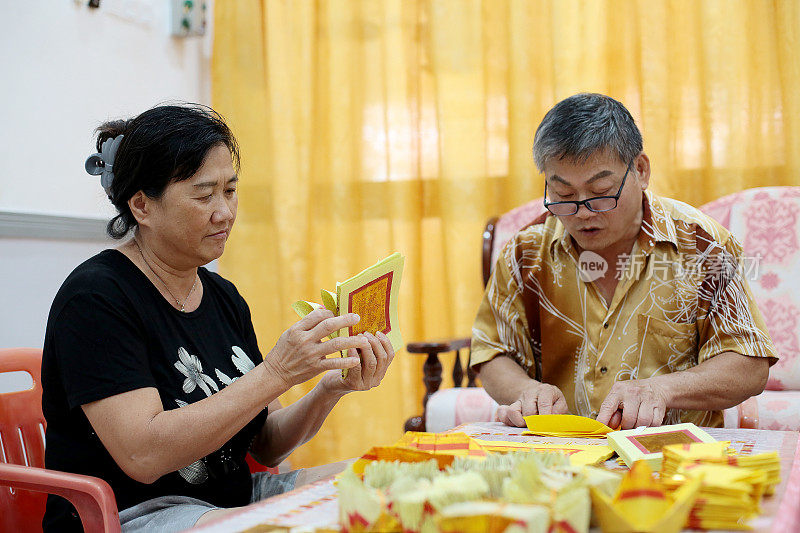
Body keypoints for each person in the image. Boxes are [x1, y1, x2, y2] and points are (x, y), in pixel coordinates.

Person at [41, 104, 395, 532]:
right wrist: (277, 372)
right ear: (141, 206)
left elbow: (266, 445)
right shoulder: (97, 297)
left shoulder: (223, 296)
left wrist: (328, 388)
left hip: (233, 499)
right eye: (204, 195)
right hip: (135, 514)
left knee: (389, 486)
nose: (225, 212)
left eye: (230, 190)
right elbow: (144, 456)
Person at [470, 93, 777, 431]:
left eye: (601, 191)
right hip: (560, 451)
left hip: (674, 455)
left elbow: (748, 364)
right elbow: (493, 351)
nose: (583, 212)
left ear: (641, 170)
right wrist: (527, 391)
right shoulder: (525, 251)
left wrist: (663, 389)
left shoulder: (702, 245)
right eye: (564, 195)